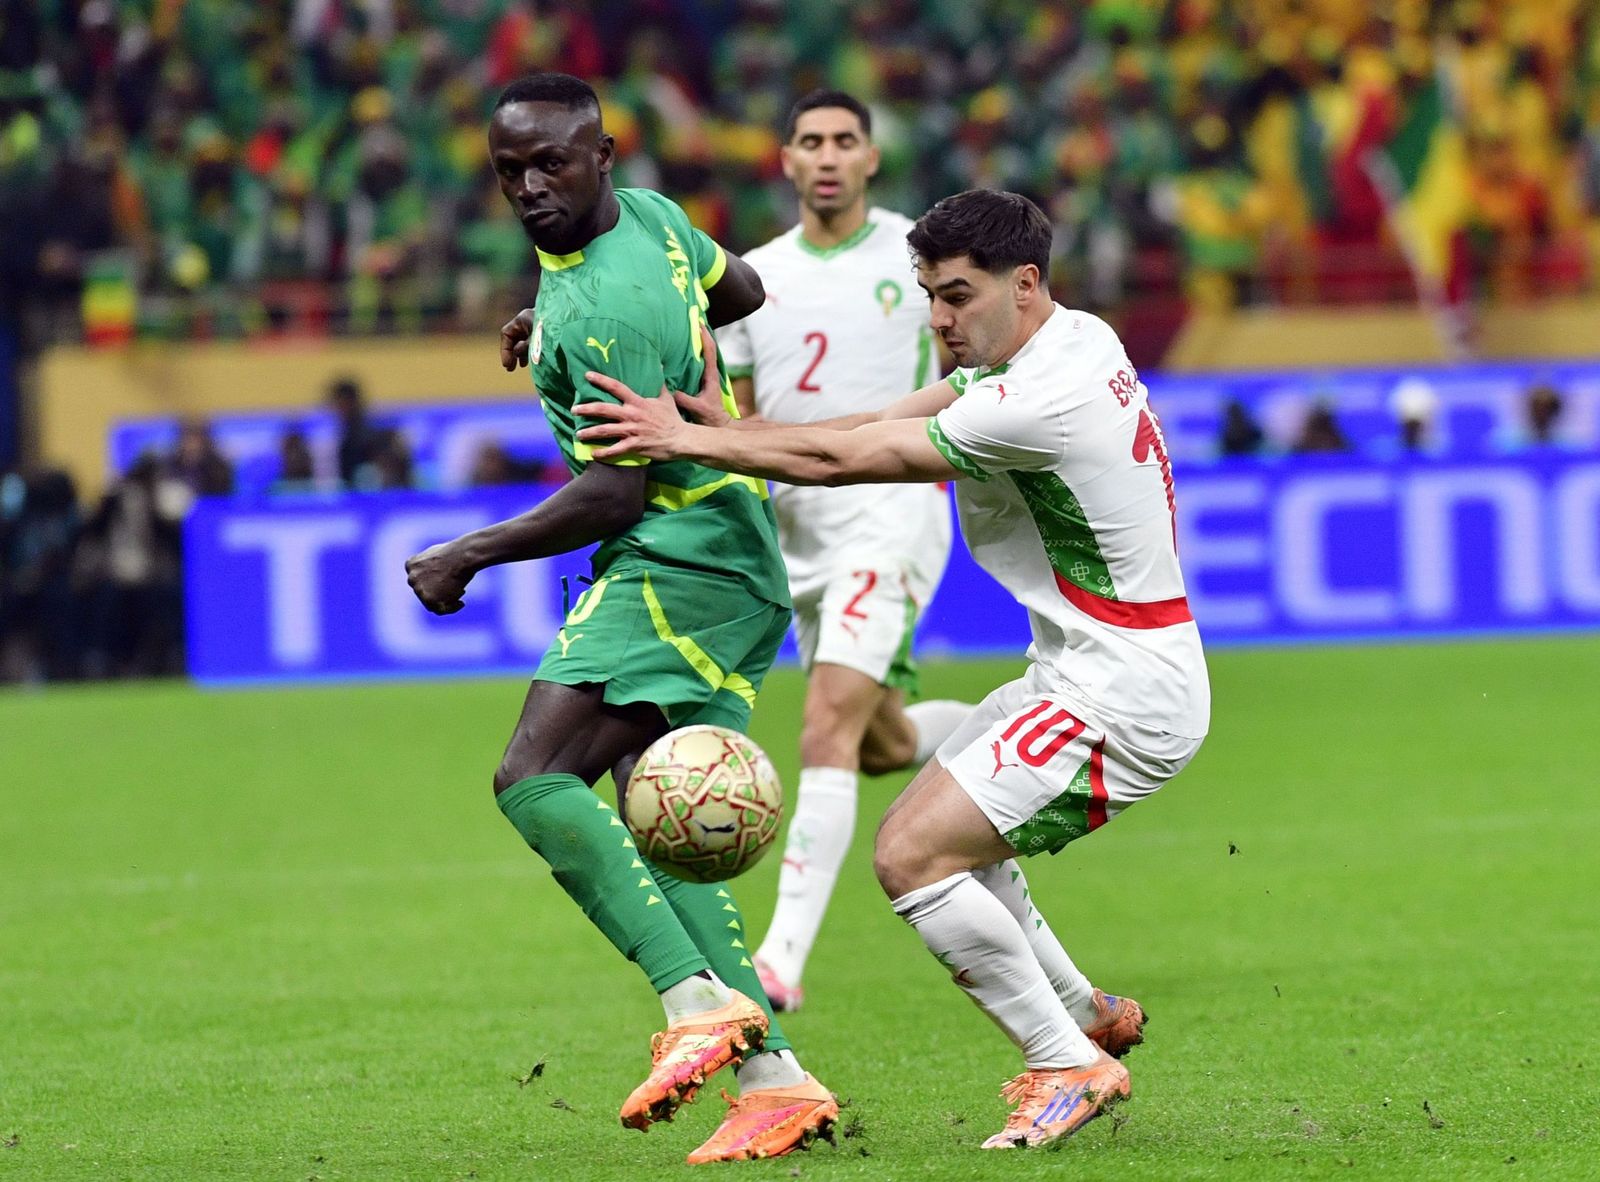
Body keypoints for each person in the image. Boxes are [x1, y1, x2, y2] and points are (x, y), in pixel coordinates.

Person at [575, 189, 1211, 1151]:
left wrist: (688, 439)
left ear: (1024, 284)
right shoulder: (1071, 339)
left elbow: (849, 458)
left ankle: (1064, 1061)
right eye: (928, 294)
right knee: (952, 832)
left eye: (958, 296)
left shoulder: (1038, 400)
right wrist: (725, 425)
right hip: (1089, 668)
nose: (939, 320)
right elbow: (872, 416)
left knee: (912, 856)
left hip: (1122, 693)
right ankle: (1081, 1011)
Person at [402, 74, 837, 1165]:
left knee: (533, 777)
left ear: (601, 153)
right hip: (733, 558)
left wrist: (469, 550)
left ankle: (692, 1001)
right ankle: (774, 1079)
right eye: (510, 170)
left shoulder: (598, 305)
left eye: (551, 162)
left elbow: (612, 493)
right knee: (654, 825)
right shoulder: (649, 221)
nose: (530, 187)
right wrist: (572, 320)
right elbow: (735, 293)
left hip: (676, 557)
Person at [712, 89, 971, 1012]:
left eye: (845, 141)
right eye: (810, 141)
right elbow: (733, 419)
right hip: (798, 531)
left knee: (824, 721)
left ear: (871, 158)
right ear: (785, 160)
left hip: (890, 512)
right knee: (877, 740)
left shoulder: (919, 259)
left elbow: (974, 372)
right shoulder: (746, 279)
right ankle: (988, 735)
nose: (827, 156)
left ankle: (778, 961)